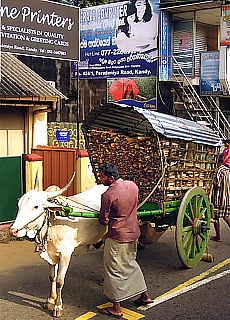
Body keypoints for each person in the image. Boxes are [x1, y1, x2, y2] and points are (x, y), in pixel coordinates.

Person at [98, 163, 152, 318]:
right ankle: (144, 295)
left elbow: (104, 220)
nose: (101, 179)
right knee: (131, 263)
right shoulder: (132, 186)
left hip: (117, 236)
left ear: (111, 177)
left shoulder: (108, 195)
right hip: (133, 233)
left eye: (103, 177)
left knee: (114, 269)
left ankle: (116, 307)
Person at [210, 140, 230, 242]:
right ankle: (217, 236)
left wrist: (212, 181)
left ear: (219, 162)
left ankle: (218, 237)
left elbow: (217, 185)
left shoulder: (220, 170)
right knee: (226, 217)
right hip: (227, 198)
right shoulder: (228, 170)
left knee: (216, 217)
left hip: (219, 198)